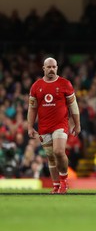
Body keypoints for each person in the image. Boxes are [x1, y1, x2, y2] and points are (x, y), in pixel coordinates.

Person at [27, 57, 81, 194]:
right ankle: (56, 185)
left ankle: (64, 181)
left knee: (58, 151)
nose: (51, 69)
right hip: (44, 127)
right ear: (43, 68)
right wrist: (29, 126)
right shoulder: (36, 86)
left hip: (60, 124)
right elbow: (32, 108)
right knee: (51, 156)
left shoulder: (65, 84)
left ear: (57, 68)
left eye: (54, 67)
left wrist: (77, 124)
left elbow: (73, 106)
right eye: (49, 67)